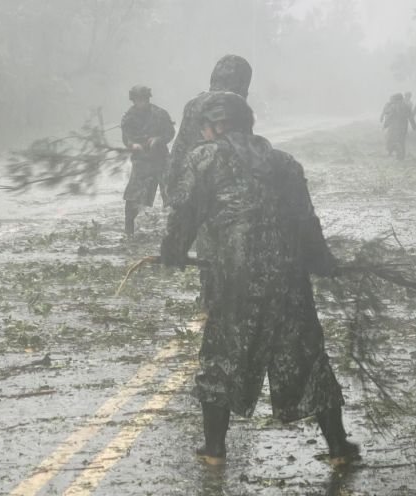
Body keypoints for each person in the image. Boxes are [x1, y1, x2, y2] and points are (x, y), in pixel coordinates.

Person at [160, 92, 360, 467]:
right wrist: (323, 262)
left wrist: (171, 253)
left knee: (223, 354)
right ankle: (338, 448)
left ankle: (215, 450)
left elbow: (183, 212)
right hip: (290, 276)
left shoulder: (204, 157)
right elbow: (306, 222)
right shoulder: (285, 163)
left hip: (238, 276)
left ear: (217, 125)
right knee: (307, 356)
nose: (204, 134)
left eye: (206, 127)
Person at [166, 54, 253, 311]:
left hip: (191, 181)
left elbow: (179, 147)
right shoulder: (235, 105)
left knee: (207, 242)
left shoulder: (194, 104)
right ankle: (217, 295)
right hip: (221, 183)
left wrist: (173, 189)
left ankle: (209, 293)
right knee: (226, 241)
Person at [120, 85, 175, 235]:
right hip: (141, 162)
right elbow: (126, 138)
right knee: (133, 197)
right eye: (138, 100)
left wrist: (158, 139)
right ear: (133, 100)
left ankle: (176, 230)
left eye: (144, 99)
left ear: (148, 99)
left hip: (161, 159)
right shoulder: (128, 117)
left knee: (172, 195)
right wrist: (133, 145)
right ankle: (128, 230)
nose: (142, 102)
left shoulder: (160, 114)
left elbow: (170, 132)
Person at [380, 94, 412, 160]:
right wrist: (413, 125)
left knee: (395, 141)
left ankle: (398, 154)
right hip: (404, 126)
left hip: (396, 127)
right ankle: (401, 157)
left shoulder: (393, 106)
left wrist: (385, 124)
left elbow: (390, 116)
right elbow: (410, 116)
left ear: (396, 99)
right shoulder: (406, 106)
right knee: (402, 141)